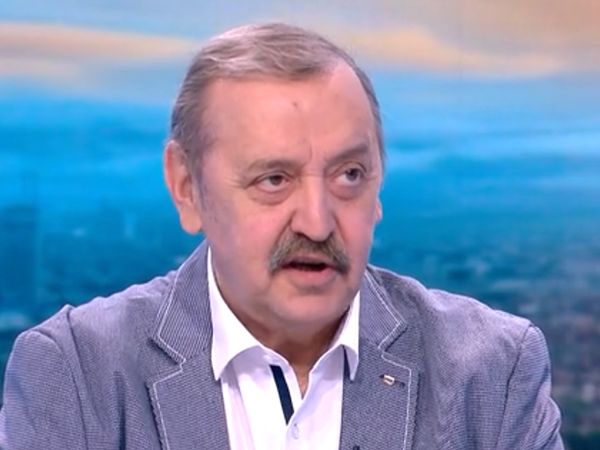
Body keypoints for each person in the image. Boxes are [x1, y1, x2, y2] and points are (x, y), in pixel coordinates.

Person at [0, 23, 563, 449]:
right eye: (274, 180)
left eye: (349, 176)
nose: (317, 223)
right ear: (187, 188)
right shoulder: (75, 376)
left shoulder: (491, 372)